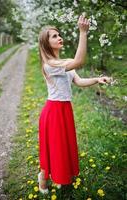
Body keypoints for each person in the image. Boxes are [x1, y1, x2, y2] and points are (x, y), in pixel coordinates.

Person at [38, 15, 112, 194]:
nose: (59, 37)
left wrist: (96, 79)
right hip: (54, 111)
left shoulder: (64, 62)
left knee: (62, 146)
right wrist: (83, 32)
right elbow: (79, 61)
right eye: (54, 36)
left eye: (59, 34)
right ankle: (43, 177)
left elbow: (78, 81)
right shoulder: (50, 65)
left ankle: (59, 175)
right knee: (53, 147)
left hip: (65, 110)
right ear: (46, 43)